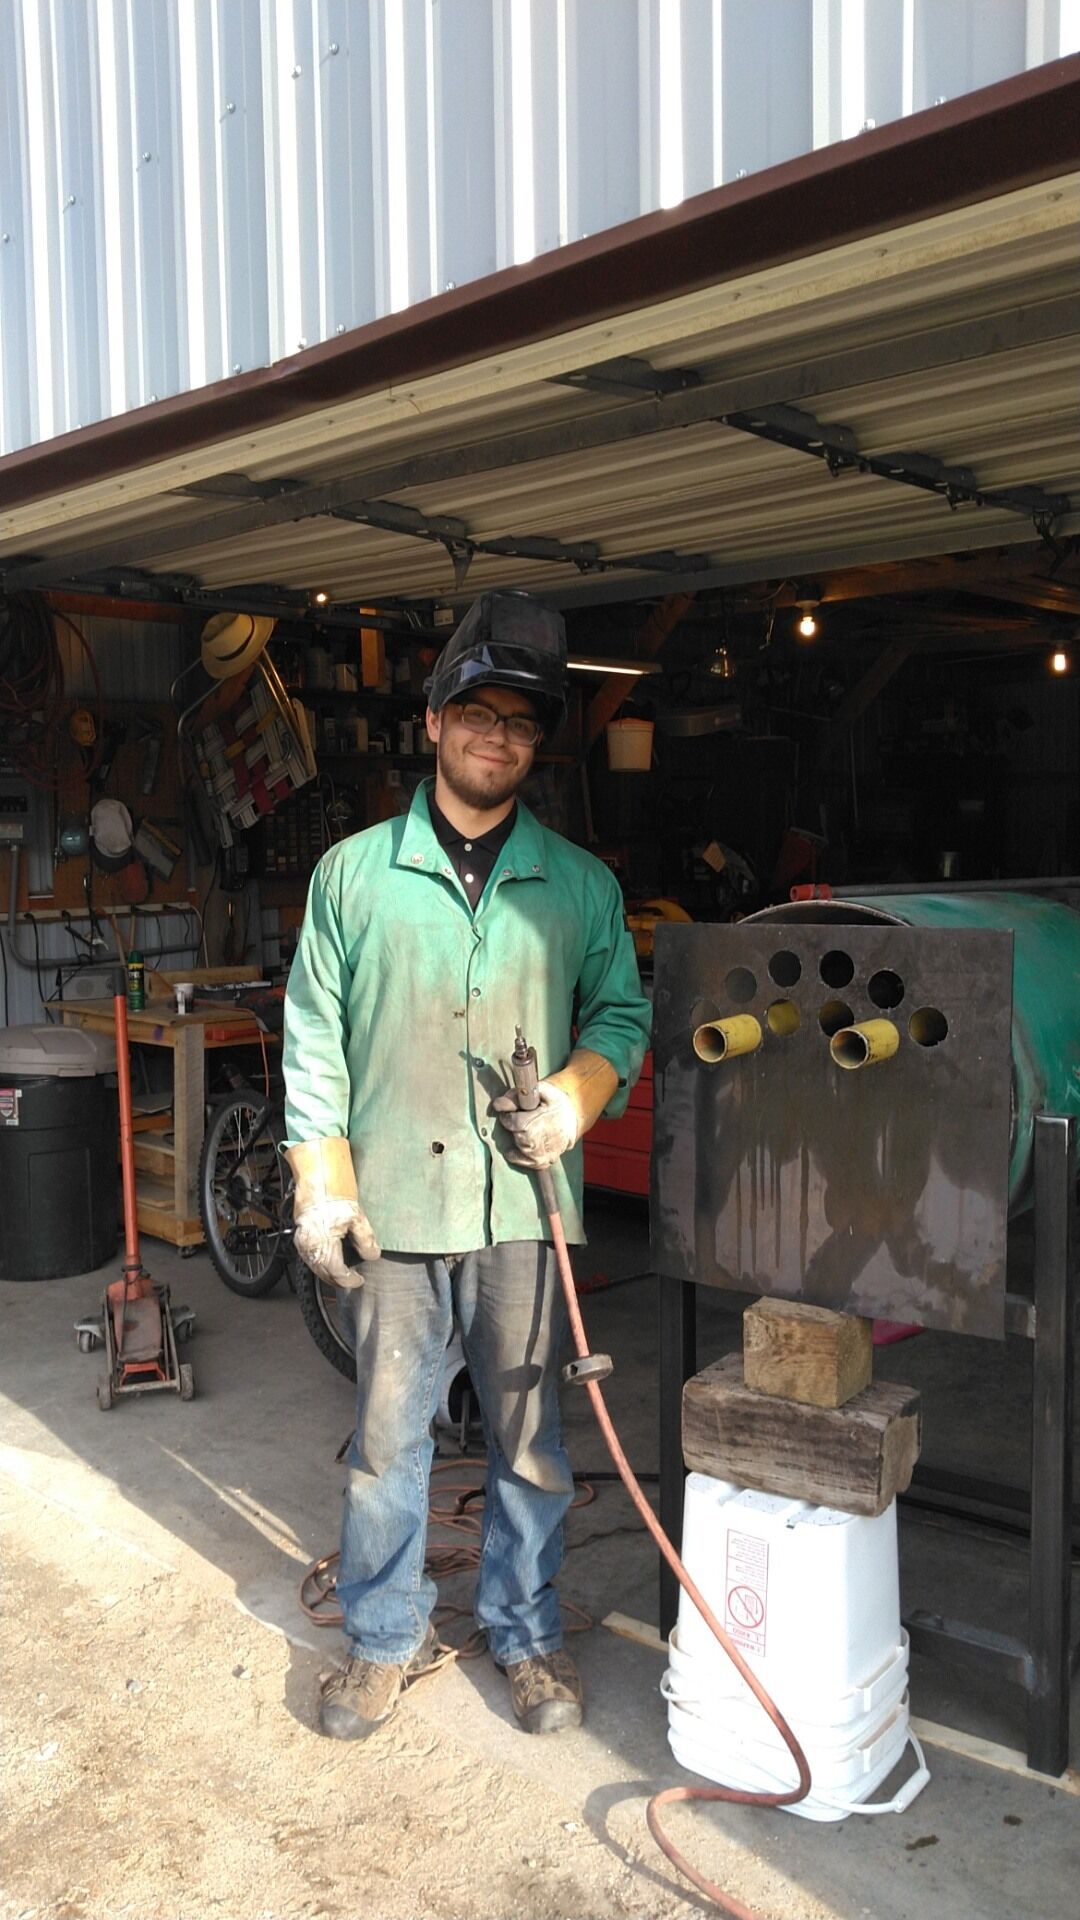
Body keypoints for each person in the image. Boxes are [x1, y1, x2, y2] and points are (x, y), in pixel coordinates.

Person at [282, 590, 651, 1743]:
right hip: (395, 1208)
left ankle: (525, 1633)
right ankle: (382, 1638)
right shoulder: (352, 877)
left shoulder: (579, 885)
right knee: (389, 1442)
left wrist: (573, 1100)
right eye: (480, 713)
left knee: (530, 1445)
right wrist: (322, 1182)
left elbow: (623, 1016)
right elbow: (312, 1038)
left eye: (522, 723)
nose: (500, 736)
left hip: (522, 1215)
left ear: (537, 747)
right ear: (435, 723)